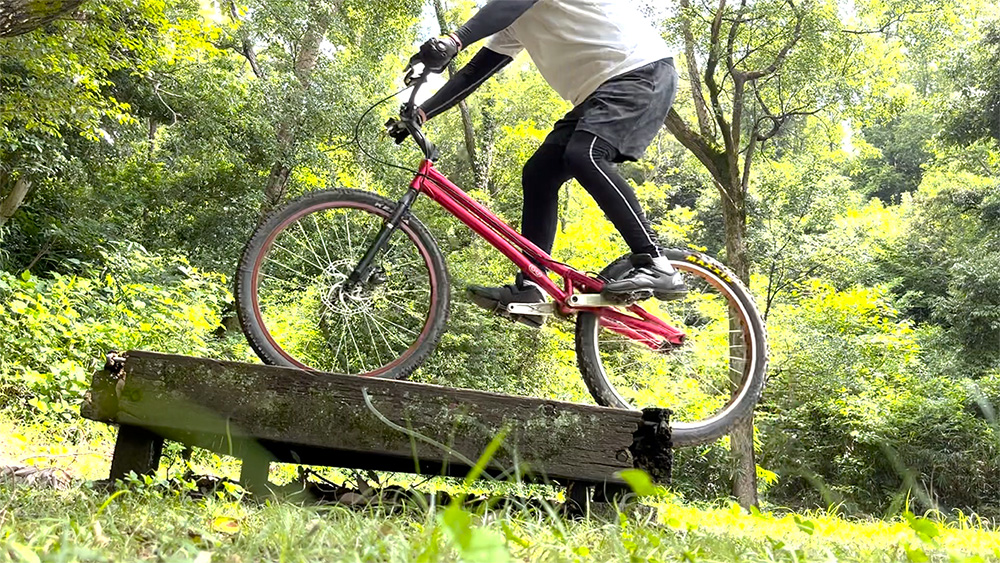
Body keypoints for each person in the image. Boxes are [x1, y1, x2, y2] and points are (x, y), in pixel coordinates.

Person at [401, 0, 687, 327]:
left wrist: (455, 39)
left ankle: (655, 262)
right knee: (539, 174)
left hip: (640, 72)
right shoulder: (513, 20)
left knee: (585, 155)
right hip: (598, 94)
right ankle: (532, 286)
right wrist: (422, 112)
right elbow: (474, 71)